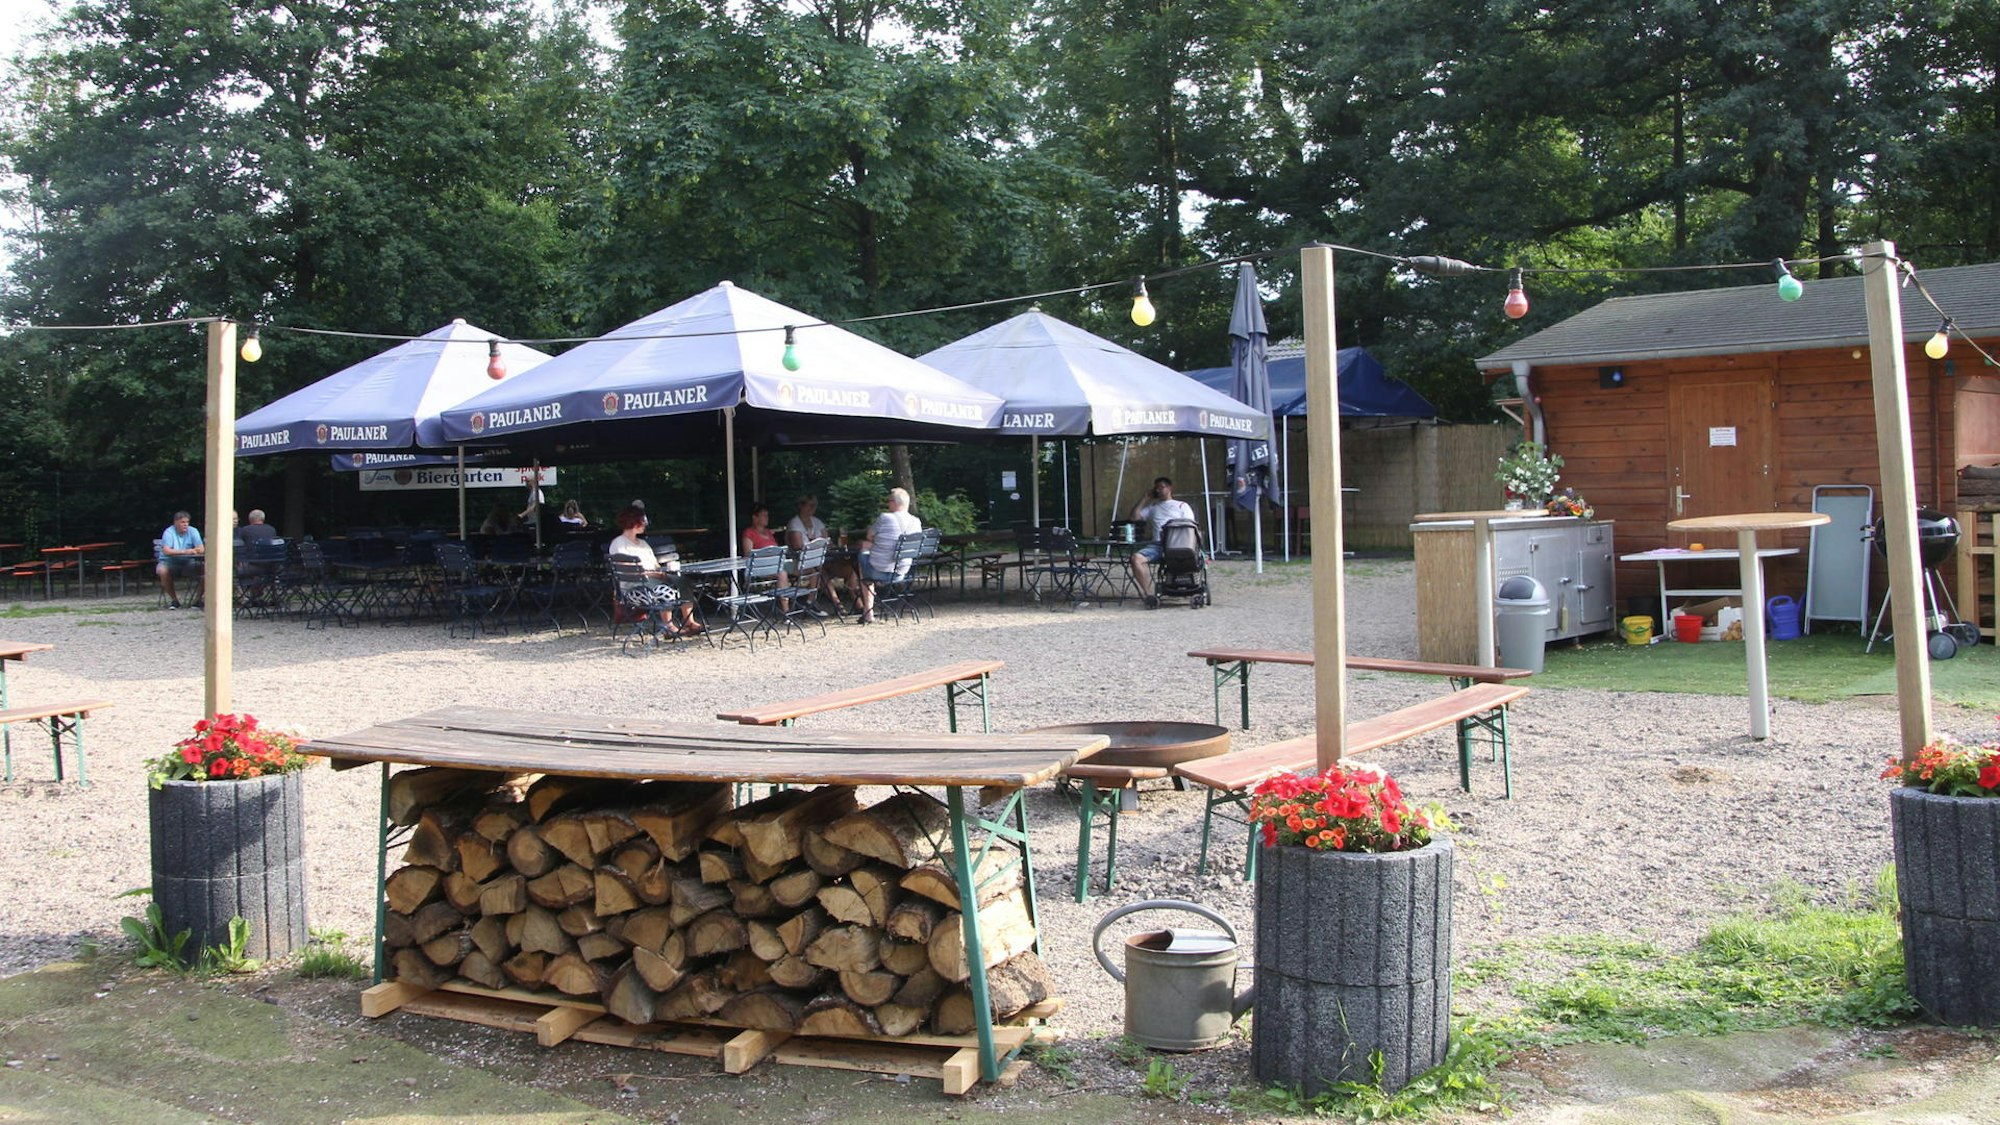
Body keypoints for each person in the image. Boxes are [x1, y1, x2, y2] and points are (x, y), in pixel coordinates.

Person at [607, 505, 701, 636]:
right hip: (634, 586)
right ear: (633, 522)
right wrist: (655, 574)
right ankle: (668, 626)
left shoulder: (643, 543)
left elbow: (655, 565)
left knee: (682, 581)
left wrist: (662, 572)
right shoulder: (619, 543)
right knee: (664, 589)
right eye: (642, 521)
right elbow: (628, 572)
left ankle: (689, 621)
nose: (645, 524)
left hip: (652, 579)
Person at [855, 487, 922, 625]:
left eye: (889, 501)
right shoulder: (916, 521)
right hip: (902, 573)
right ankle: (870, 607)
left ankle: (868, 612)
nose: (887, 503)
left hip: (878, 571)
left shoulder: (885, 518)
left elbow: (869, 536)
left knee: (863, 552)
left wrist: (873, 544)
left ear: (895, 503)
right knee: (868, 550)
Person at [1130, 476, 1196, 608]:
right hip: (1158, 544)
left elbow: (1190, 527)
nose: (1158, 490)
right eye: (1156, 488)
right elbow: (1134, 517)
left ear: (1170, 488)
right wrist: (1144, 499)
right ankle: (1148, 595)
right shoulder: (1153, 507)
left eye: (1161, 487)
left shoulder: (1182, 506)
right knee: (1136, 558)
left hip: (1179, 544)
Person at [785, 494, 846, 615]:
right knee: (820, 571)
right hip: (800, 562)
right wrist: (817, 543)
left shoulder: (817, 522)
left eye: (815, 505)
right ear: (801, 506)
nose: (813, 508)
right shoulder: (795, 523)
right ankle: (832, 603)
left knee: (846, 565)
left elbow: (827, 541)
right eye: (810, 505)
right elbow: (798, 545)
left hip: (821, 560)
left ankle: (855, 602)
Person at [156, 509, 205, 609]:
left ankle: (198, 600)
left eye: (187, 522)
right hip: (169, 562)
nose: (185, 524)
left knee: (207, 569)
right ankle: (174, 600)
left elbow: (201, 548)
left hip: (188, 562)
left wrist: (198, 549)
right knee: (162, 571)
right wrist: (186, 551)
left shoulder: (193, 531)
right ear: (175, 522)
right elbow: (167, 551)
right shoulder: (169, 532)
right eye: (183, 522)